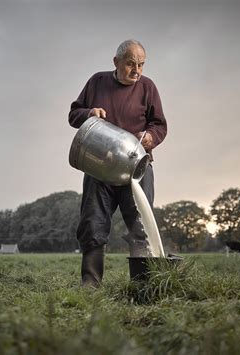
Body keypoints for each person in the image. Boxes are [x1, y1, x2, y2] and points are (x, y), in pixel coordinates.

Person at [68, 39, 167, 287]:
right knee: (92, 222)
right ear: (116, 62)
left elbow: (160, 125)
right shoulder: (97, 82)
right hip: (99, 166)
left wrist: (151, 137)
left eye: (141, 65)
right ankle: (90, 283)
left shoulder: (148, 87)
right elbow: (73, 114)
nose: (137, 70)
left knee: (140, 225)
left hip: (137, 169)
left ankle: (142, 284)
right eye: (131, 64)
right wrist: (89, 113)